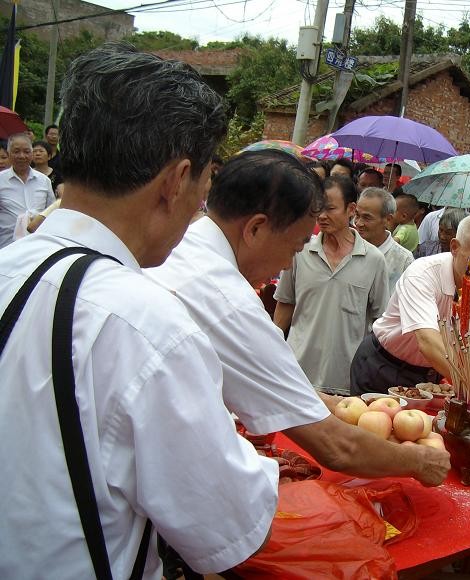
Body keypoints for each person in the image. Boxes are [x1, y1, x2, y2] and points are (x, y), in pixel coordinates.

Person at [0, 43, 278, 578]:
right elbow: (225, 524)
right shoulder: (147, 325)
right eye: (204, 185)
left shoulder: (11, 265)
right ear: (176, 181)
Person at [145, 151, 449, 485]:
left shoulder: (178, 247)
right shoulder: (228, 299)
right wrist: (419, 460)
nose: (290, 264)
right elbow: (337, 448)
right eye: (294, 247)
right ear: (256, 228)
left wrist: (327, 402)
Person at [350, 211, 470, 394]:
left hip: (434, 377)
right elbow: (428, 340)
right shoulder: (422, 273)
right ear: (455, 247)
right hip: (383, 367)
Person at [274, 175, 389, 390]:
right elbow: (285, 303)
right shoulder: (300, 251)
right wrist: (271, 349)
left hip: (347, 381)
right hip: (297, 375)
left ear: (351, 209)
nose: (322, 216)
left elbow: (380, 321)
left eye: (330, 209)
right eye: (318, 209)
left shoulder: (373, 259)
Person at [354, 186, 414, 295]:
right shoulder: (347, 248)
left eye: (367, 218)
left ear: (388, 219)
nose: (358, 223)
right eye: (357, 215)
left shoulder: (404, 260)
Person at [0, 133, 56, 249]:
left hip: (37, 247)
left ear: (31, 154)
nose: (21, 156)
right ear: (9, 153)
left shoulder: (44, 181)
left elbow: (52, 212)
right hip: (6, 247)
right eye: (16, 151)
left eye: (26, 151)